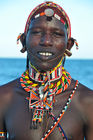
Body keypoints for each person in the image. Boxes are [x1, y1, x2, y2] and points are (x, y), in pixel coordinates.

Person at [0, 1, 93, 140]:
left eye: (56, 34)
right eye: (37, 32)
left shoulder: (87, 101)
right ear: (24, 41)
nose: (46, 41)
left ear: (69, 45)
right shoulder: (4, 98)